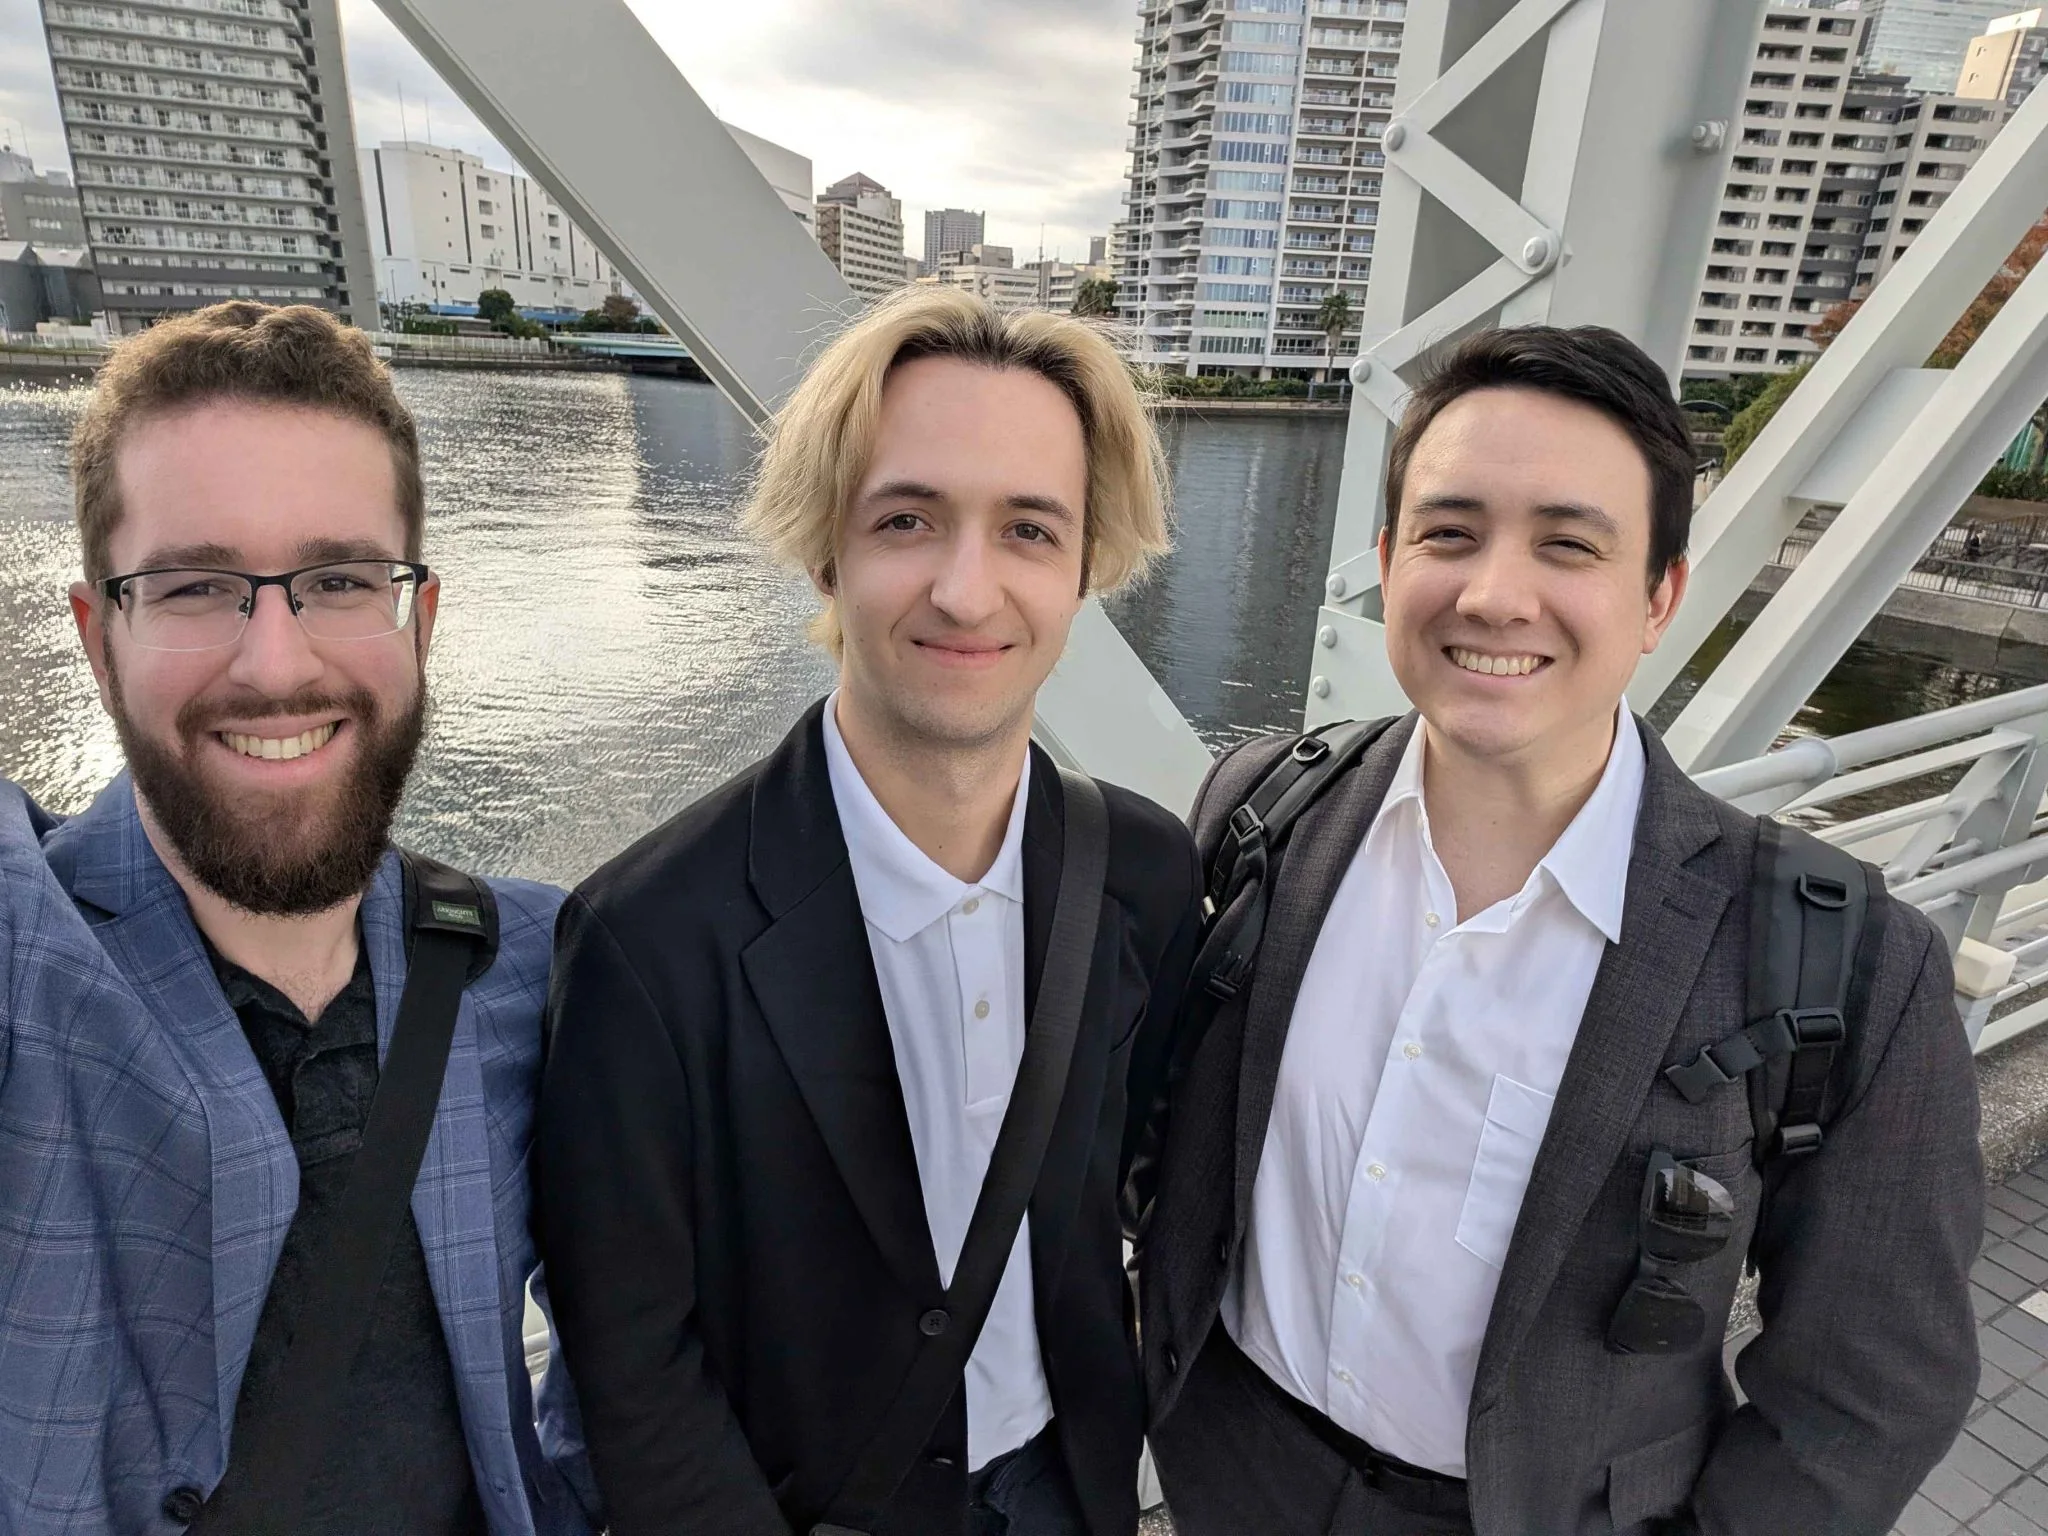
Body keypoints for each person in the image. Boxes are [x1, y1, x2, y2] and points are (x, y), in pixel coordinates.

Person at [1136, 325, 1982, 1535]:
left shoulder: (1843, 964)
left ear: (1658, 598)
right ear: (1385, 559)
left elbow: (1864, 1396)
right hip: (1228, 1465)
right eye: (1447, 532)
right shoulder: (1264, 809)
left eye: (1567, 544)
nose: (1491, 593)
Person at [533, 287, 1203, 1536]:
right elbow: (631, 1360)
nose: (965, 589)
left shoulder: (1145, 879)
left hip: (1064, 1492)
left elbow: (1127, 1183)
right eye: (908, 519)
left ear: (1083, 571)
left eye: (1028, 532)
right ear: (825, 548)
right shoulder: (645, 939)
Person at [0, 302, 597, 1536]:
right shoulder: (32, 953)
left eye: (336, 581)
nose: (274, 665)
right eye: (194, 586)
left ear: (418, 622)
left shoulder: (533, 965)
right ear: (96, 642)